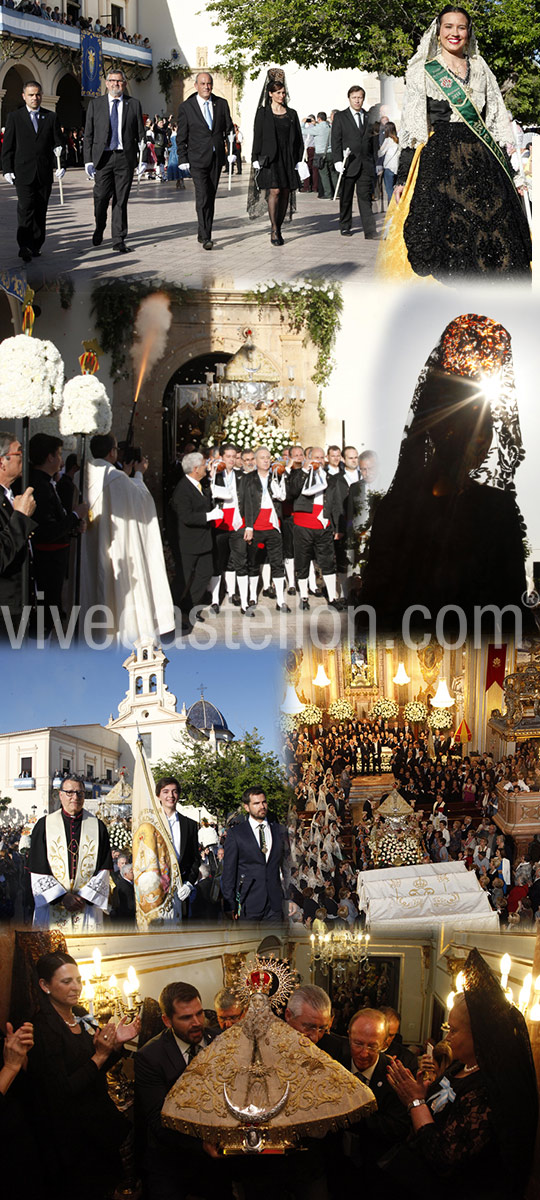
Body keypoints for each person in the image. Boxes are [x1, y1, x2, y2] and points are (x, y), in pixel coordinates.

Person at [361, 314, 528, 630]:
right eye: (482, 425)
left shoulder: (394, 508)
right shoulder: (495, 511)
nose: (486, 435)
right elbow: (510, 618)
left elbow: (372, 613)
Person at [383, 7, 531, 279]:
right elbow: (413, 128)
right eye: (448, 27)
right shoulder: (423, 71)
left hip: (483, 161)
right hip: (442, 161)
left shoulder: (481, 68)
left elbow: (496, 121)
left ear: (468, 31)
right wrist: (403, 176)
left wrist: (512, 175)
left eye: (461, 27)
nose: (454, 33)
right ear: (438, 32)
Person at [384, 949, 538, 1199]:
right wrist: (422, 1094)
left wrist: (416, 1103)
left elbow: (444, 1158)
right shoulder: (459, 1066)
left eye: (454, 1030)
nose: (447, 1038)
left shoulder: (490, 1090)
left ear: (480, 1037)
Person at [29, 951, 138, 1200]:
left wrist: (115, 1045)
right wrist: (100, 1055)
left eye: (78, 980)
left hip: (97, 1122)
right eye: (66, 982)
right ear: (45, 986)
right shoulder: (43, 1028)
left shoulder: (80, 1014)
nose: (76, 987)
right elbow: (62, 1091)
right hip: (71, 1136)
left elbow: (98, 1065)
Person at [81, 432, 175, 644]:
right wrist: (139, 475)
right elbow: (141, 502)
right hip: (118, 545)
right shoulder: (116, 477)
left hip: (92, 542)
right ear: (112, 452)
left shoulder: (86, 473)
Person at [134, 981, 219, 1200]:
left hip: (215, 1162)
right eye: (185, 1017)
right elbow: (158, 1119)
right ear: (167, 1020)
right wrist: (200, 1144)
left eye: (199, 1014)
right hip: (170, 1162)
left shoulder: (220, 1041)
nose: (197, 1023)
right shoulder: (149, 1057)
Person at [29, 775, 113, 929]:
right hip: (53, 906)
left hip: (86, 906)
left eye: (80, 793)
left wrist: (84, 897)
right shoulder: (44, 825)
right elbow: (37, 868)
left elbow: (104, 867)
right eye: (70, 792)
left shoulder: (98, 826)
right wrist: (61, 897)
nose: (75, 797)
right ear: (60, 795)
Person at [28, 433, 87, 629]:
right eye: (59, 454)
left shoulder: (48, 483)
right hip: (47, 564)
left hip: (55, 561)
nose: (61, 460)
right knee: (44, 617)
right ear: (50, 457)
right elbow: (47, 531)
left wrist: (74, 526)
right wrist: (75, 516)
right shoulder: (40, 486)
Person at [1, 79, 64, 262]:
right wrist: (7, 169)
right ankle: (24, 245)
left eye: (37, 94)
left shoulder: (50, 117)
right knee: (25, 207)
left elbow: (58, 142)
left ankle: (36, 244)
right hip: (23, 172)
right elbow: (9, 146)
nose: (35, 98)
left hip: (43, 172)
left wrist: (61, 161)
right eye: (31, 95)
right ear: (24, 96)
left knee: (40, 209)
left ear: (41, 95)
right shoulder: (15, 117)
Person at [83, 68, 145, 253]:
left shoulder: (133, 104)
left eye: (119, 81)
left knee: (121, 200)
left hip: (124, 158)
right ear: (107, 83)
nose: (116, 84)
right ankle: (100, 225)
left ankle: (118, 239)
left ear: (124, 84)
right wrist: (88, 160)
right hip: (103, 158)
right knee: (101, 197)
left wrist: (143, 159)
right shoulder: (96, 105)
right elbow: (88, 134)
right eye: (112, 81)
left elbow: (140, 133)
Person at [177, 71, 234, 249]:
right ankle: (206, 235)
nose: (206, 87)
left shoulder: (221, 104)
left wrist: (231, 148)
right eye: (202, 84)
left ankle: (204, 232)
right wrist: (182, 157)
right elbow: (181, 136)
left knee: (210, 196)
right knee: (202, 196)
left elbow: (229, 128)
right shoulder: (187, 107)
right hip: (197, 159)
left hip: (216, 159)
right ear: (196, 86)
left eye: (209, 83)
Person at [248, 69, 306, 245]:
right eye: (278, 92)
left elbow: (298, 138)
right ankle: (274, 229)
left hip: (287, 158)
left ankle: (279, 226)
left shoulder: (292, 113)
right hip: (271, 158)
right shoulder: (263, 113)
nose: (281, 95)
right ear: (270, 94)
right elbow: (257, 136)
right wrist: (255, 158)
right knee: (275, 191)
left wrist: (298, 159)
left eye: (283, 92)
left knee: (286, 192)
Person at [168, 450, 223, 630]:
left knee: (205, 574)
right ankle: (173, 614)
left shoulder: (199, 484)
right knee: (182, 580)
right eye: (204, 465)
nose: (206, 468)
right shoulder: (182, 489)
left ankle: (189, 607)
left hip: (203, 541)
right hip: (188, 543)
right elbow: (186, 517)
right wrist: (209, 516)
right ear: (195, 468)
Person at [221, 786, 290, 921]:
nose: (262, 806)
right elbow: (229, 871)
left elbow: (286, 867)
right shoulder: (236, 833)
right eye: (256, 803)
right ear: (246, 807)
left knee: (274, 942)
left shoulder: (279, 830)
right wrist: (230, 904)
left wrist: (289, 898)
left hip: (274, 905)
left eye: (264, 802)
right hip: (248, 904)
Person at [0, 432, 36, 628]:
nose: (24, 457)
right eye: (19, 452)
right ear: (2, 462)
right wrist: (21, 518)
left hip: (18, 604)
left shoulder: (10, 494)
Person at [331, 85, 377, 239]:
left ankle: (370, 231)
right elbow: (335, 140)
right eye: (354, 98)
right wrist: (337, 160)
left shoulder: (368, 116)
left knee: (365, 197)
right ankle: (345, 226)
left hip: (365, 164)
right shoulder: (341, 117)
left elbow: (373, 142)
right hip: (348, 163)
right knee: (346, 197)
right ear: (349, 98)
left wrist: (377, 162)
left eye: (360, 97)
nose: (357, 101)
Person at [155, 776, 201, 918]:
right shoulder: (151, 823)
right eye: (166, 791)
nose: (170, 796)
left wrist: (189, 883)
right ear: (158, 795)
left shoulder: (190, 825)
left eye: (174, 792)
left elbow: (195, 858)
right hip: (156, 890)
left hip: (180, 890)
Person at [285, 984, 349, 1064]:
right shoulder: (270, 1043)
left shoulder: (333, 1049)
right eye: (309, 1027)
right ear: (288, 1016)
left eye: (322, 1029)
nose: (315, 1038)